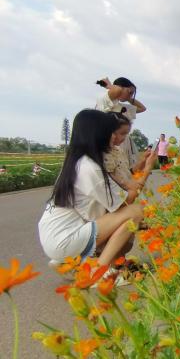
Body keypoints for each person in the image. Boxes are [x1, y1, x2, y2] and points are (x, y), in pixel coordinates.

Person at [38, 109, 158, 278]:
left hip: (55, 235)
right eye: (110, 132)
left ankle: (74, 262)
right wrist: (146, 170)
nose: (114, 138)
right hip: (64, 239)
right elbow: (124, 203)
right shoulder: (90, 168)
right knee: (136, 212)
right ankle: (100, 274)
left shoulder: (77, 162)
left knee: (123, 219)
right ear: (98, 134)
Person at [95, 77, 147, 168]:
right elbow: (117, 90)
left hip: (124, 144)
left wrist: (128, 98)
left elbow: (142, 108)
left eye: (132, 94)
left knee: (126, 169)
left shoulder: (122, 106)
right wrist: (111, 86)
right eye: (129, 92)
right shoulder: (105, 100)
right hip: (111, 143)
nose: (130, 95)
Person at [104, 112, 152, 192]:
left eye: (126, 134)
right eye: (122, 133)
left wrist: (143, 160)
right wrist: (148, 168)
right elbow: (123, 184)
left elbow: (128, 174)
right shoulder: (106, 155)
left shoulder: (118, 150)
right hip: (124, 197)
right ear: (109, 132)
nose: (125, 138)